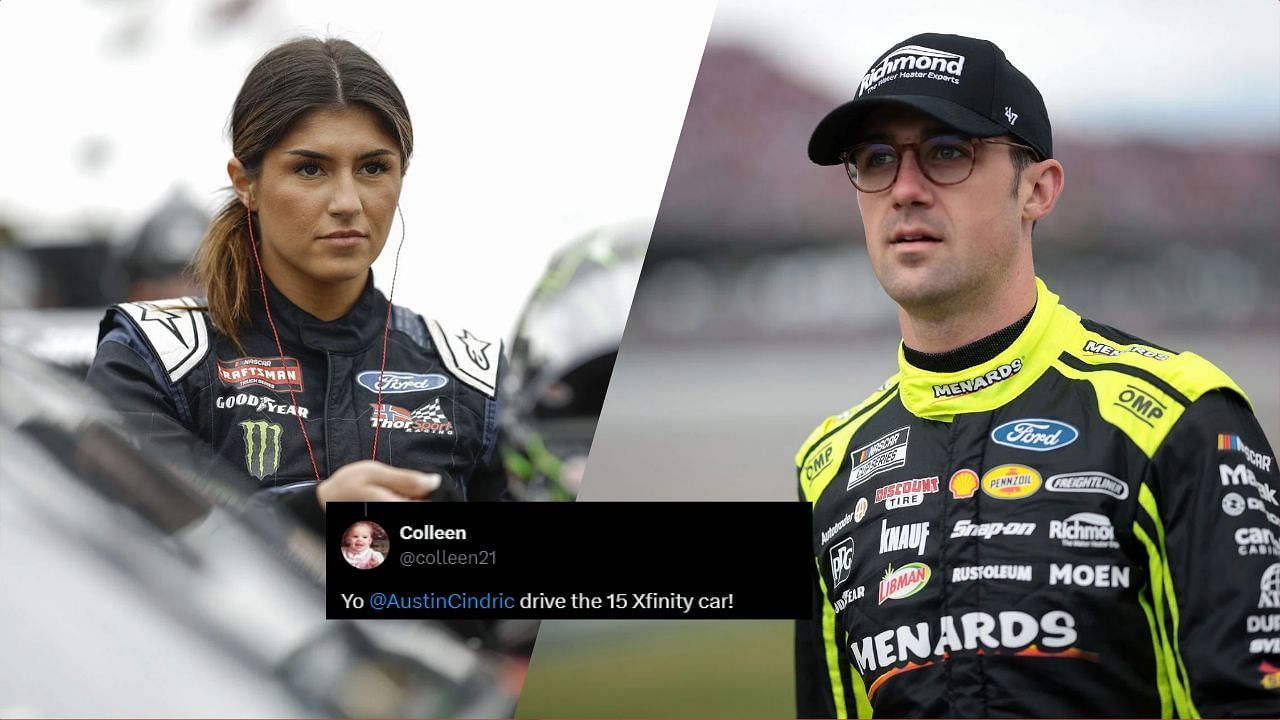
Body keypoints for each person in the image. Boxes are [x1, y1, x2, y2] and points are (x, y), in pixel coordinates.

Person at [794, 33, 1280, 718]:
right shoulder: (826, 471)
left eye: (946, 153)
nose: (904, 189)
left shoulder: (1179, 418)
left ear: (1038, 189)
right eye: (875, 160)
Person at [87, 38, 507, 532]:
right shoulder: (156, 358)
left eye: (373, 168)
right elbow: (129, 555)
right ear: (246, 183)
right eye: (311, 169)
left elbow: (516, 603)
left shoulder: (471, 378)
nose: (348, 201)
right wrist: (315, 512)